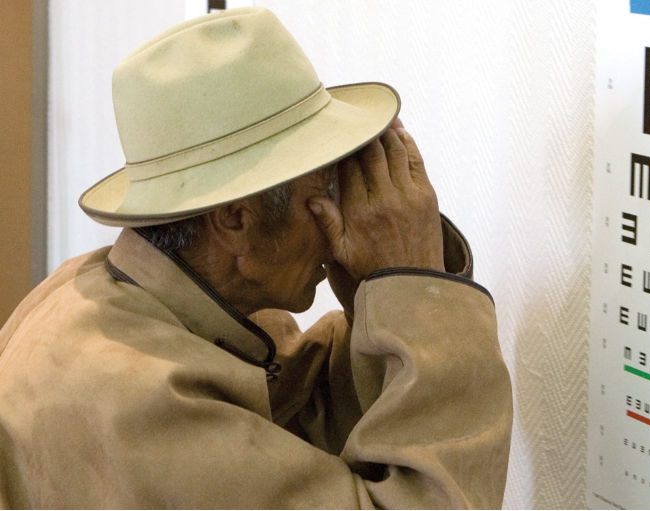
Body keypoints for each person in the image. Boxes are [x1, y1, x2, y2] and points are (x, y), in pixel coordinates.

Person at [0, 7, 512, 508]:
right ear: (236, 221)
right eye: (325, 191)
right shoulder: (137, 397)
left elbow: (295, 419)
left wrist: (382, 291)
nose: (342, 222)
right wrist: (420, 297)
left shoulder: (103, 289)